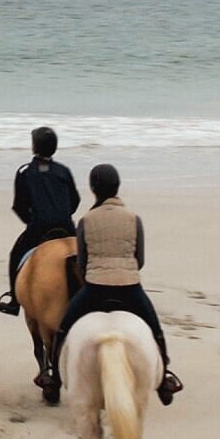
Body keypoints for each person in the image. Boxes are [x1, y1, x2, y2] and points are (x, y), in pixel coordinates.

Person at [63, 162, 181, 401]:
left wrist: (97, 272)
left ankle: (53, 375)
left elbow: (83, 262)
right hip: (129, 288)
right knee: (155, 329)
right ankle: (164, 378)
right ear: (118, 187)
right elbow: (140, 260)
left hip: (94, 289)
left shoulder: (86, 220)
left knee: (63, 327)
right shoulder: (133, 218)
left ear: (93, 189)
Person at [0, 126, 81, 315]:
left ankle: (14, 302)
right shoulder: (63, 171)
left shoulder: (25, 171)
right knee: (84, 257)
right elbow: (75, 201)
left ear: (34, 146)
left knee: (15, 255)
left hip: (39, 228)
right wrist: (63, 214)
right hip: (66, 227)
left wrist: (32, 222)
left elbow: (19, 206)